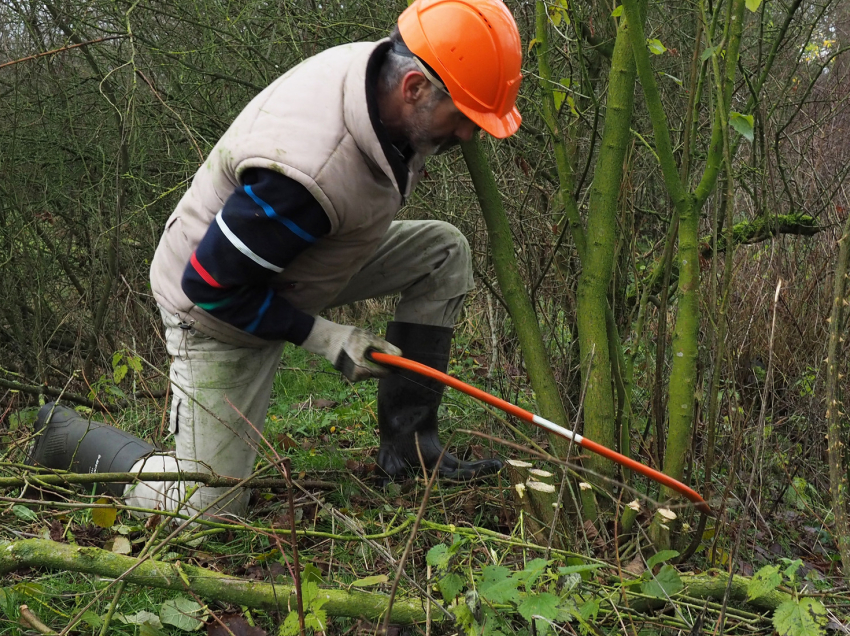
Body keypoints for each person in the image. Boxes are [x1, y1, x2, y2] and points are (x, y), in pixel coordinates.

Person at [29, 0, 523, 518]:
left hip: (303, 259)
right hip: (220, 306)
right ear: (415, 88)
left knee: (441, 251)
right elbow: (212, 286)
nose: (468, 135)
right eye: (464, 116)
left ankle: (409, 452)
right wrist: (325, 336)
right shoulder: (306, 174)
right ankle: (68, 437)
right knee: (207, 507)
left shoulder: (380, 75)